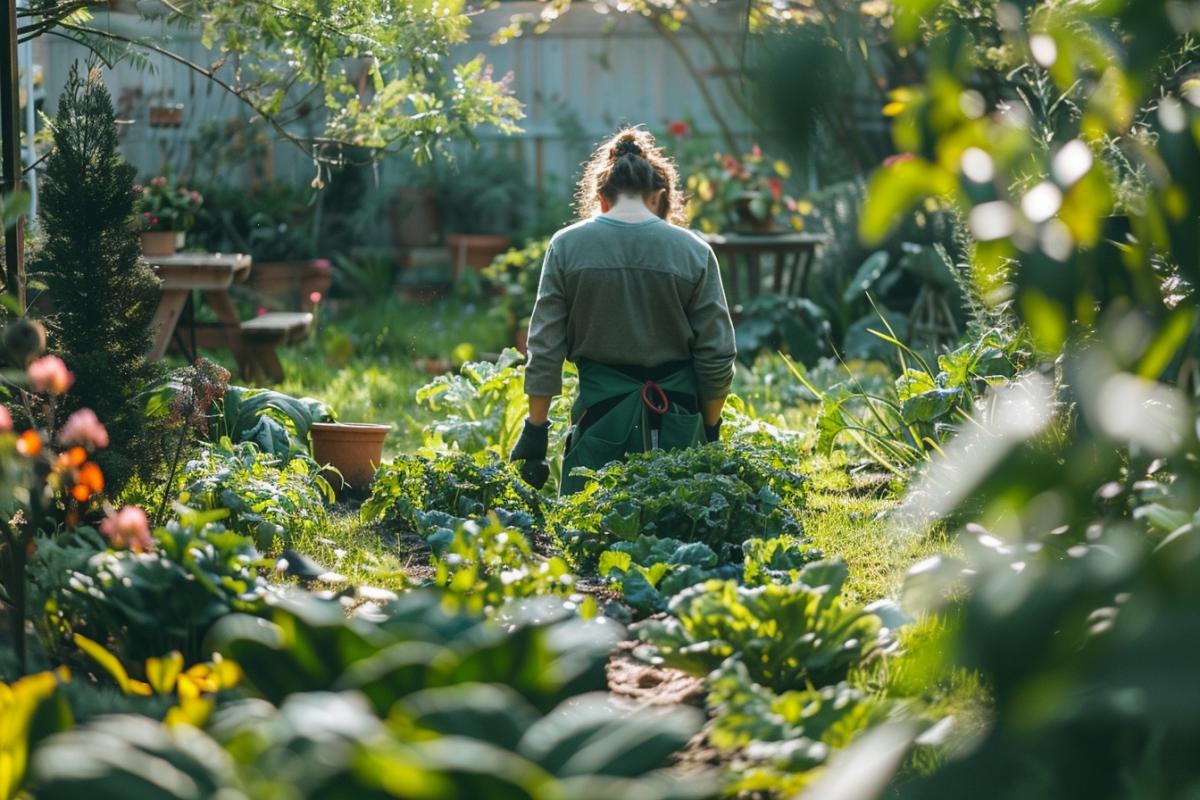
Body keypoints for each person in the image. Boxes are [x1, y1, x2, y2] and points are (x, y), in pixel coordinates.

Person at [509, 126, 737, 493]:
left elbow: (545, 347)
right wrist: (709, 429)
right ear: (659, 196)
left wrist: (536, 429)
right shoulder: (695, 253)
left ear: (601, 198)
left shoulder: (566, 247)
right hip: (678, 424)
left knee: (590, 528)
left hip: (599, 422)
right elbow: (717, 354)